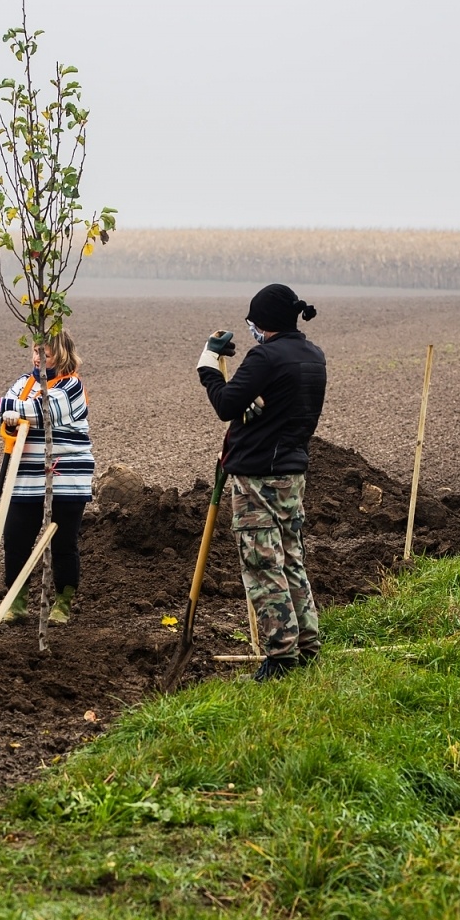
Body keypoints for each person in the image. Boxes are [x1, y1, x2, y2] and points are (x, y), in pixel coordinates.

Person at [196, 283, 327, 682]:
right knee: (291, 560)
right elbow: (277, 405)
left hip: (258, 479)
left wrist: (207, 366)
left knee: (262, 565)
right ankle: (307, 646)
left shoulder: (266, 356)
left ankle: (281, 656)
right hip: (292, 473)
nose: (251, 329)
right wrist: (252, 404)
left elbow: (225, 404)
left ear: (264, 322)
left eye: (253, 322)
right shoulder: (314, 356)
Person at [0, 331, 94, 624]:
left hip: (65, 479)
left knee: (63, 544)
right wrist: (7, 420)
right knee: (15, 540)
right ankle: (17, 603)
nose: (38, 358)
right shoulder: (23, 384)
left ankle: (62, 604)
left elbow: (43, 410)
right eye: (36, 352)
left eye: (45, 354)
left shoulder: (72, 385)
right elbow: (6, 418)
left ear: (61, 355)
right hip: (25, 479)